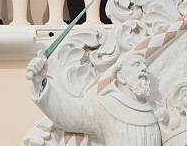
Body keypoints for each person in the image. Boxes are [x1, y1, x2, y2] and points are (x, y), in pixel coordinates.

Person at [26, 51, 161, 145]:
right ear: (121, 77)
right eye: (136, 64)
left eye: (144, 65)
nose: (143, 68)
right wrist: (40, 83)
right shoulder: (108, 106)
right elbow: (70, 116)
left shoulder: (154, 110)